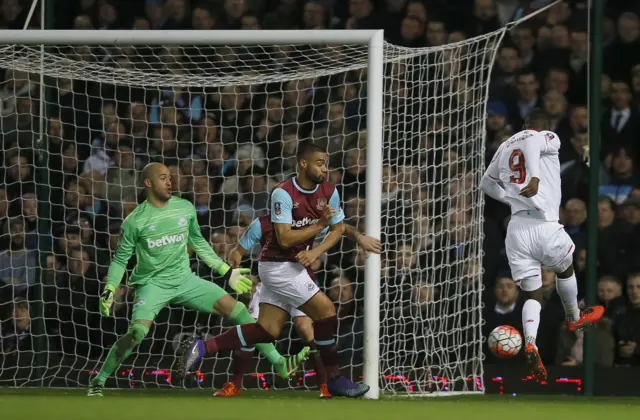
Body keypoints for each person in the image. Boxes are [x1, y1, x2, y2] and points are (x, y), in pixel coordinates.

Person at [88, 163, 308, 396]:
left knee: (239, 310)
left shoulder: (184, 208)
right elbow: (120, 259)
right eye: (163, 178)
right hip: (152, 285)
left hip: (185, 279)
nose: (169, 181)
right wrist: (110, 288)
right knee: (136, 334)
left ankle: (279, 362)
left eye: (170, 177)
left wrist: (226, 271)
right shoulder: (135, 221)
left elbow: (200, 244)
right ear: (148, 183)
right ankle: (99, 380)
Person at [178, 143, 371, 397]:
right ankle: (333, 378)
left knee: (267, 330)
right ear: (303, 163)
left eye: (326, 163)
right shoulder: (283, 193)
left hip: (297, 267)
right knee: (326, 312)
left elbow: (338, 228)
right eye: (320, 163)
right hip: (278, 266)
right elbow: (285, 238)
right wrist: (320, 224)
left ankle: (203, 347)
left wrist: (316, 251)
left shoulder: (330, 191)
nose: (325, 169)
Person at [479, 109, 605, 382]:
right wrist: (535, 178)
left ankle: (531, 341)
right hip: (544, 223)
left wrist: (512, 200)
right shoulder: (548, 137)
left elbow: (486, 184)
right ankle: (573, 316)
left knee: (532, 294)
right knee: (565, 269)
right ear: (545, 127)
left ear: (523, 124)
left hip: (517, 228)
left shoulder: (504, 146)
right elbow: (535, 141)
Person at [216, 213, 382, 398]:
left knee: (307, 329)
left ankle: (324, 386)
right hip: (272, 284)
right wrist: (235, 264)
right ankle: (234, 384)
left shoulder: (305, 220)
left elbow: (340, 227)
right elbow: (238, 251)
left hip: (299, 283)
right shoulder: (261, 224)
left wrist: (359, 237)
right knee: (253, 329)